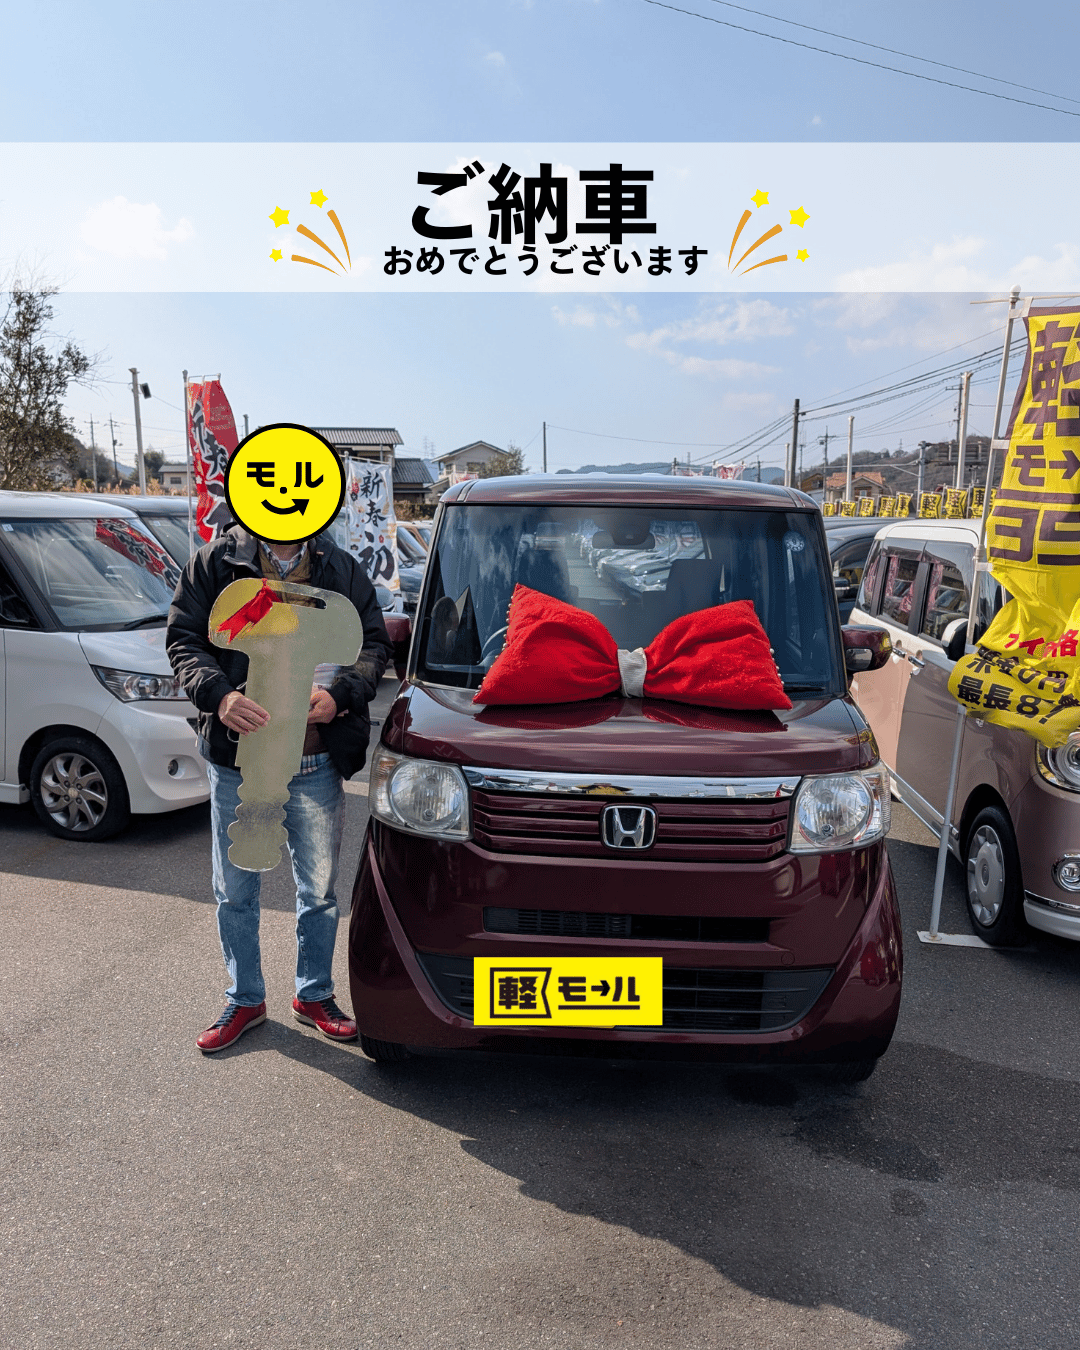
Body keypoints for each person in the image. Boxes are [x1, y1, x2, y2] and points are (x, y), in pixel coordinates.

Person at [166, 524, 393, 1053]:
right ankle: (245, 997)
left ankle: (313, 994)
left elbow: (374, 644)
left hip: (317, 758)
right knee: (235, 890)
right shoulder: (216, 564)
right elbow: (184, 639)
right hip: (240, 760)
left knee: (318, 891)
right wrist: (219, 695)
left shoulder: (339, 566)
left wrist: (342, 695)